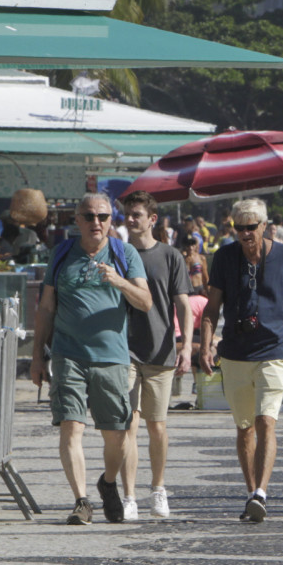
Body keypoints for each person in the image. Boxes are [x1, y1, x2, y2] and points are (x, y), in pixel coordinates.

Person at [29, 192, 152, 524]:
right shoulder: (62, 253)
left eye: (103, 216)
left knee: (117, 434)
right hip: (68, 354)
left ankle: (108, 482)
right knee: (71, 426)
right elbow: (46, 308)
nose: (96, 222)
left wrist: (119, 281)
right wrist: (37, 355)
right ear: (77, 220)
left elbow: (146, 302)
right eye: (89, 216)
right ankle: (81, 500)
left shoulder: (124, 254)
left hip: (111, 358)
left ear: (112, 220)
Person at [199, 198, 283, 522]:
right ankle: (250, 494)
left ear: (264, 226)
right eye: (239, 228)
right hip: (235, 353)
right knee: (245, 427)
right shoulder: (224, 257)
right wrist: (205, 345)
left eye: (251, 227)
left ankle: (261, 491)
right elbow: (212, 307)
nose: (245, 234)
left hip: (274, 350)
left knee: (266, 421)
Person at [119, 192, 192, 520]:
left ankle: (158, 488)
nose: (130, 219)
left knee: (157, 426)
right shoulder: (117, 254)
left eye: (137, 214)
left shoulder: (170, 255)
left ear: (152, 219)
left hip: (161, 349)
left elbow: (183, 305)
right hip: (125, 350)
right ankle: (129, 495)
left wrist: (186, 346)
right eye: (128, 214)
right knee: (128, 425)